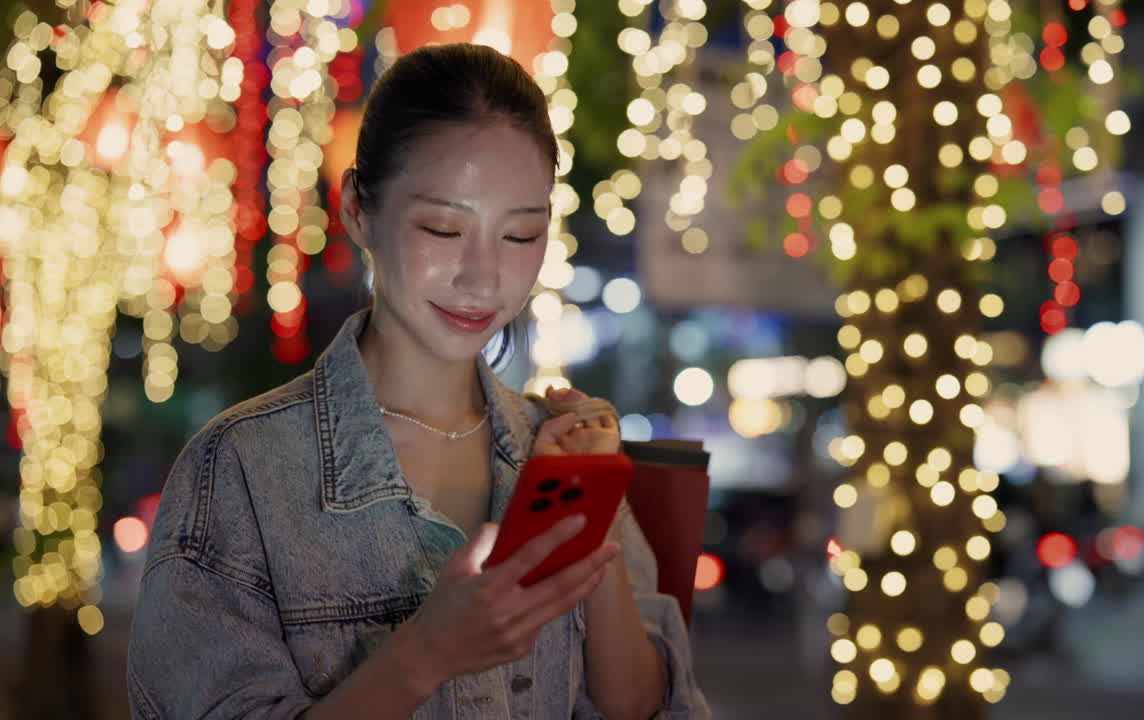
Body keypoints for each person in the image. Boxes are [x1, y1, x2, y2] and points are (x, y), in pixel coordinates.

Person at [127, 43, 708, 719]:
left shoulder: (551, 448)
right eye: (442, 228)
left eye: (520, 236)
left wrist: (591, 512)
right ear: (357, 211)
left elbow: (642, 705)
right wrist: (426, 654)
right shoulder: (243, 469)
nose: (483, 277)